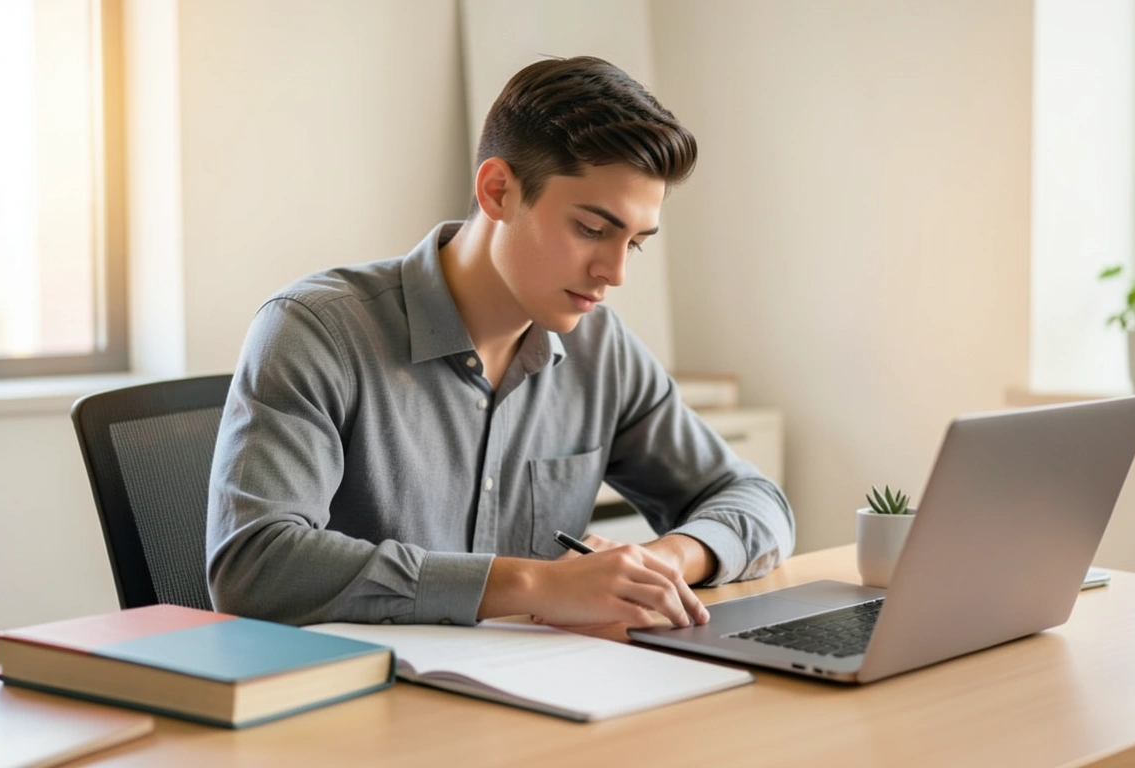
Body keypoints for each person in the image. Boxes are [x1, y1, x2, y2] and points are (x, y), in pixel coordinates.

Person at [206, 55, 794, 630]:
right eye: (591, 230)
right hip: (361, 707)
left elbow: (753, 499)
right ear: (497, 191)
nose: (615, 273)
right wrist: (537, 585)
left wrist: (663, 562)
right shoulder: (316, 331)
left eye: (635, 242)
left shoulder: (600, 349)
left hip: (536, 701)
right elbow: (255, 564)